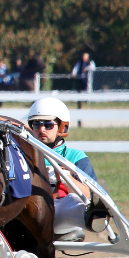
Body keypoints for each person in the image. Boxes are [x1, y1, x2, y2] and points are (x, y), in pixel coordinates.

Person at [26, 97, 102, 243]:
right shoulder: (24, 156)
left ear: (62, 127)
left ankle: (95, 216)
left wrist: (66, 176)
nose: (41, 129)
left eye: (48, 124)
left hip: (60, 212)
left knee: (72, 201)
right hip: (30, 212)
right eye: (36, 124)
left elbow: (88, 195)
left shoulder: (76, 157)